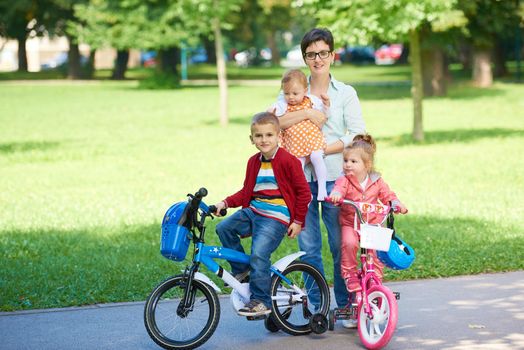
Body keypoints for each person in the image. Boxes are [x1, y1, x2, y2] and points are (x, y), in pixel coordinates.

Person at [277, 28, 366, 321]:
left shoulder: (346, 93)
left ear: (332, 55)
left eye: (323, 53)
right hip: (300, 181)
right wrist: (305, 114)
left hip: (334, 178)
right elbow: (275, 124)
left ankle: (345, 302)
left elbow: (356, 134)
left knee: (340, 244)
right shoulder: (292, 88)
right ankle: (317, 305)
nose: (318, 59)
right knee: (309, 247)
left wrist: (321, 149)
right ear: (305, 57)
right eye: (312, 54)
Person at [213, 112, 311, 317]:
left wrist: (298, 220)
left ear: (278, 137)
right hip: (254, 211)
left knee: (259, 253)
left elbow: (304, 192)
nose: (264, 140)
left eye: (269, 135)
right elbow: (247, 191)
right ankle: (242, 270)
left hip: (276, 217)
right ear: (252, 139)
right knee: (224, 228)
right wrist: (225, 202)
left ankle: (262, 301)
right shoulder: (253, 162)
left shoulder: (288, 161)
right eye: (259, 136)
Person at [329, 134, 408, 327]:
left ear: (367, 164)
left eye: (353, 161)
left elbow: (388, 195)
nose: (348, 164)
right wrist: (337, 194)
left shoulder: (377, 181)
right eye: (346, 160)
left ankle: (375, 281)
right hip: (351, 223)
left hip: (372, 225)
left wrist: (396, 203)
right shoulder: (345, 180)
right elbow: (338, 188)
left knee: (375, 252)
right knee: (348, 243)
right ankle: (350, 277)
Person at [271, 69, 330, 201]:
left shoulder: (312, 101)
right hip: (295, 142)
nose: (291, 97)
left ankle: (322, 188)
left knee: (316, 157)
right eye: (286, 93)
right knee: (297, 166)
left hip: (312, 138)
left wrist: (326, 105)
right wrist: (271, 112)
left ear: (305, 90)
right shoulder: (282, 104)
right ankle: (303, 192)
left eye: (295, 93)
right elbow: (273, 115)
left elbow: (324, 116)